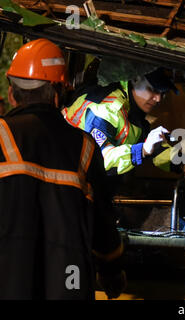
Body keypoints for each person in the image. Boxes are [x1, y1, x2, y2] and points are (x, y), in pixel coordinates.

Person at [0, 38, 125, 299]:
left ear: (12, 94)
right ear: (58, 95)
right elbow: (103, 227)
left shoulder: (2, 135)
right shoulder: (85, 147)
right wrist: (112, 272)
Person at [62, 67, 185, 176]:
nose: (158, 99)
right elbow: (102, 160)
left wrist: (182, 162)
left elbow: (154, 149)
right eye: (153, 89)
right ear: (135, 79)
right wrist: (142, 150)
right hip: (69, 175)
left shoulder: (133, 109)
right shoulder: (106, 109)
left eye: (162, 93)